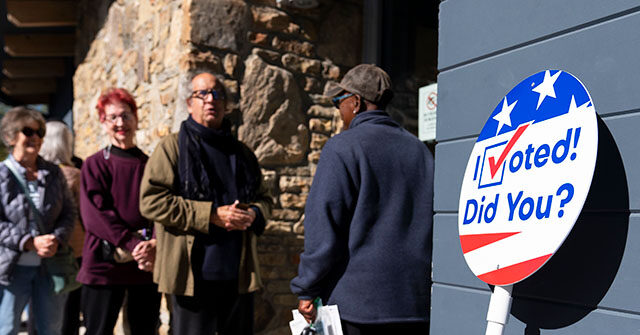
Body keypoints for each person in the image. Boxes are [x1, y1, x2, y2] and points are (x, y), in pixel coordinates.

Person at [290, 64, 434, 334]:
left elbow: (323, 225)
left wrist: (307, 288)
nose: (338, 110)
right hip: (415, 305)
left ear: (355, 102)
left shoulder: (342, 147)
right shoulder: (420, 151)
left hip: (359, 308)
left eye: (338, 101)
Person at [139, 72, 272, 335]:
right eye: (202, 94)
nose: (210, 99)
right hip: (192, 277)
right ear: (189, 103)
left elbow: (265, 199)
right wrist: (210, 214)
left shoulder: (242, 153)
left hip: (237, 275)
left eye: (217, 94)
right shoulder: (172, 148)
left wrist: (255, 214)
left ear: (225, 103)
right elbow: (151, 202)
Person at [77, 88, 160, 335]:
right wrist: (133, 243)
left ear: (135, 118)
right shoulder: (94, 165)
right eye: (112, 117)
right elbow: (95, 216)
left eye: (125, 115)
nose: (120, 123)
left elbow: (160, 208)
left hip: (144, 265)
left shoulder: (151, 165)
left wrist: (153, 244)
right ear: (103, 121)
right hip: (104, 266)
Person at [0, 107, 75, 335]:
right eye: (28, 131)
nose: (35, 137)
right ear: (11, 137)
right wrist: (28, 242)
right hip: (11, 268)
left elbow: (69, 213)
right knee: (7, 329)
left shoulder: (53, 173)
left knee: (51, 329)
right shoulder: (2, 174)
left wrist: (56, 238)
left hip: (50, 267)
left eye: (40, 132)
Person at [39, 121, 84, 335]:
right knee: (70, 310)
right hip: (73, 251)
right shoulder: (74, 174)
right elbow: (83, 214)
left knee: (40, 308)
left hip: (41, 248)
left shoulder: (36, 175)